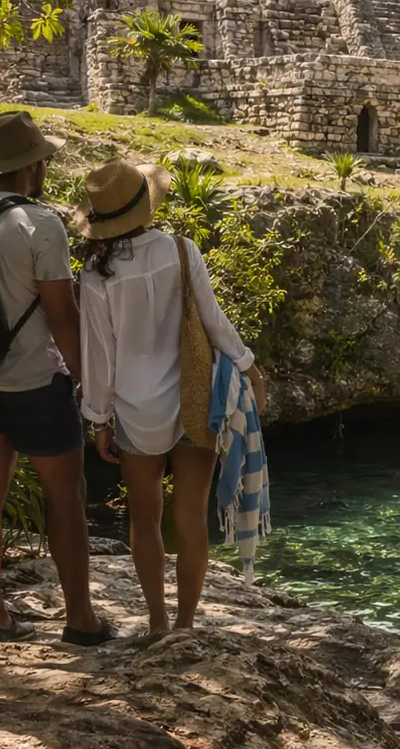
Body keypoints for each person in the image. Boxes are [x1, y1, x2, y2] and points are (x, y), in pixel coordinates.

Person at [0, 111, 114, 644]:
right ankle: (80, 619)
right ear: (31, 166)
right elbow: (61, 314)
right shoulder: (39, 223)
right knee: (67, 496)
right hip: (35, 384)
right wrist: (88, 384)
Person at [76, 157, 266, 634]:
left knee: (144, 518)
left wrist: (99, 419)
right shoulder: (182, 251)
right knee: (191, 518)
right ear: (145, 205)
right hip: (194, 398)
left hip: (135, 408)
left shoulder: (96, 277)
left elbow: (100, 356)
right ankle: (185, 625)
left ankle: (157, 621)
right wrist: (248, 365)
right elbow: (213, 321)